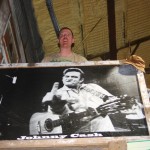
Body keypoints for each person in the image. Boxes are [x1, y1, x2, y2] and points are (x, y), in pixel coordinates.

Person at [42, 67, 115, 134]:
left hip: (103, 128)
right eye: (67, 76)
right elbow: (53, 114)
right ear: (62, 79)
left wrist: (111, 105)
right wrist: (55, 107)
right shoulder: (58, 93)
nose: (69, 78)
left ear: (81, 80)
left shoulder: (93, 87)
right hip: (78, 133)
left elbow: (112, 99)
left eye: (74, 77)